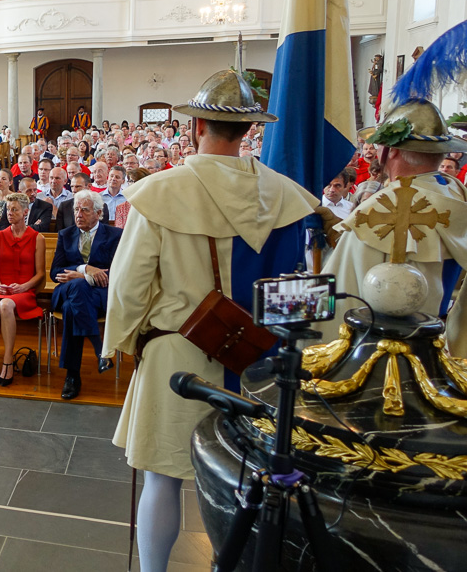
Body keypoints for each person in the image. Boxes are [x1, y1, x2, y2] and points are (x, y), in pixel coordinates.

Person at [103, 70, 315, 572]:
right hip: (260, 363)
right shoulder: (287, 196)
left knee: (162, 478)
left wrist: (125, 342)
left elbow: (128, 285)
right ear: (248, 130)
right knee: (249, 480)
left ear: (197, 125)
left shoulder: (159, 192)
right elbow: (298, 290)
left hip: (178, 357)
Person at [320, 99, 467, 355]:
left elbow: (341, 294)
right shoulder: (455, 192)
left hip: (386, 352)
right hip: (443, 344)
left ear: (392, 151)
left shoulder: (386, 206)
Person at [51, 190, 122, 399]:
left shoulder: (115, 235)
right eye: (76, 210)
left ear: (99, 213)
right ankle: (100, 350)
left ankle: (72, 376)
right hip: (66, 290)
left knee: (71, 308)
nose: (78, 214)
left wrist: (82, 277)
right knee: (77, 289)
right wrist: (85, 269)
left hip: (99, 295)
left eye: (84, 210)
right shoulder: (66, 235)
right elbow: (55, 272)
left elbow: (118, 272)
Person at [0, 193, 46, 386]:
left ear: (25, 212)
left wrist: (24, 286)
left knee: (6, 305)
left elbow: (40, 274)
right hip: (2, 287)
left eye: (14, 209)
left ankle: (8, 360)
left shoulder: (37, 238)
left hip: (25, 289)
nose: (10, 213)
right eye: (8, 209)